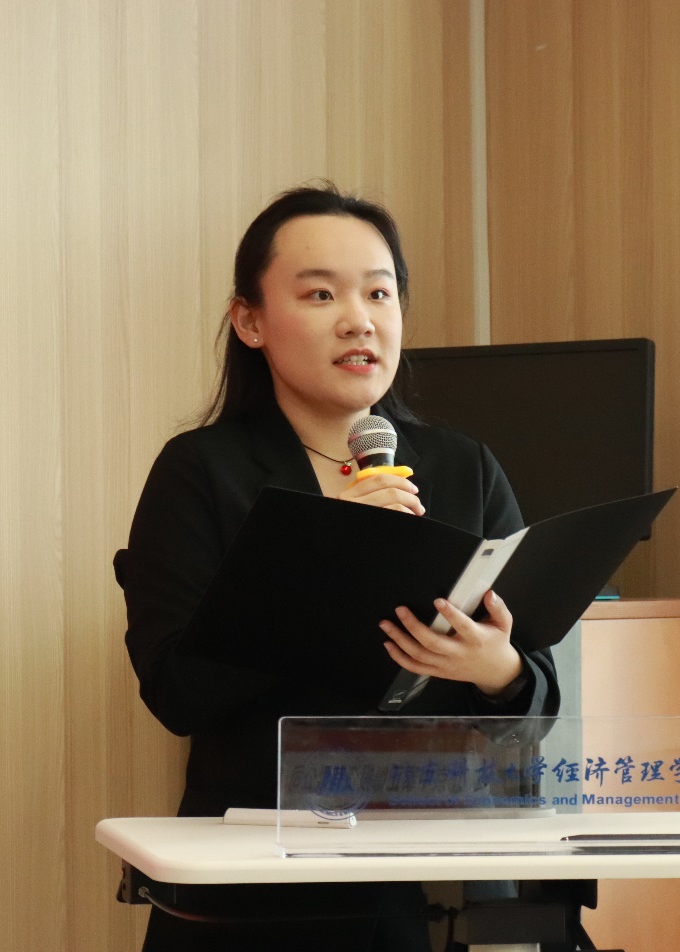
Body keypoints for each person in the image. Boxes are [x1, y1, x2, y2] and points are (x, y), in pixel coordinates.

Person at [114, 183, 560, 952]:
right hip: (256, 881)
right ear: (249, 321)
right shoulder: (201, 471)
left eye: (379, 293)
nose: (359, 319)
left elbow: (537, 697)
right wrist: (322, 556)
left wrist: (499, 672)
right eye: (320, 294)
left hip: (432, 874)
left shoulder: (463, 467)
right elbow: (175, 690)